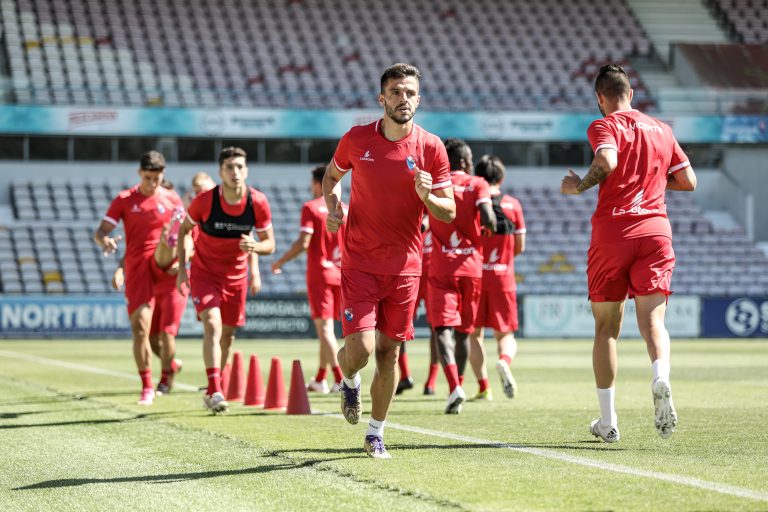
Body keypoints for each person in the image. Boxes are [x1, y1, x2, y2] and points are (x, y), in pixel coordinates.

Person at [323, 63, 455, 458]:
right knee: (361, 350)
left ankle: (375, 433)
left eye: (410, 92)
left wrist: (428, 197)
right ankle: (349, 378)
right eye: (396, 92)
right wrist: (334, 205)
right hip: (360, 262)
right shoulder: (356, 139)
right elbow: (331, 178)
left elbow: (448, 212)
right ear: (382, 98)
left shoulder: (431, 147)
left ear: (419, 98)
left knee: (389, 354)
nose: (403, 99)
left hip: (405, 268)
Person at [560, 64, 697, 442]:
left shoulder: (604, 125)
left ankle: (608, 422)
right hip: (655, 231)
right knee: (654, 321)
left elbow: (607, 161)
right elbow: (688, 180)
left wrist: (578, 186)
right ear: (631, 94)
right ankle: (660, 376)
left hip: (614, 232)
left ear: (600, 98)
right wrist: (652, 182)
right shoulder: (662, 129)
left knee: (606, 328)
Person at [176, 147, 275, 414]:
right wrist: (182, 269)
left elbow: (270, 244)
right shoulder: (204, 201)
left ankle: (213, 388)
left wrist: (255, 247)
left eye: (240, 167)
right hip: (205, 273)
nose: (235, 172)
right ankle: (215, 388)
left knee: (228, 336)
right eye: (229, 167)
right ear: (220, 172)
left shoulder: (258, 202)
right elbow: (184, 230)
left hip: (236, 277)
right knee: (212, 324)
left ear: (247, 170)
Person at [94, 150, 186, 405]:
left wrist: (183, 262)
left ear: (163, 175)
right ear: (139, 174)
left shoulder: (173, 199)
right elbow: (100, 232)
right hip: (138, 269)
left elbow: (187, 234)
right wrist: (105, 242)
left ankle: (166, 375)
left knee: (166, 334)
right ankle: (147, 386)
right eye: (148, 178)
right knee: (141, 329)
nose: (152, 183)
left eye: (157, 178)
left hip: (166, 270)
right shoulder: (125, 199)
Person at [428, 138, 495, 414]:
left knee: (442, 329)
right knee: (464, 333)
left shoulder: (435, 186)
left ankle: (454, 386)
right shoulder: (478, 184)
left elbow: (421, 222)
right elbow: (488, 218)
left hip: (442, 268)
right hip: (471, 269)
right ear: (466, 162)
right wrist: (488, 227)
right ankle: (462, 385)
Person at [271, 165, 346, 394]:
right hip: (341, 274)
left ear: (317, 184)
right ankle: (321, 378)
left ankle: (340, 379)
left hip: (320, 275)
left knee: (325, 330)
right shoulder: (345, 209)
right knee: (328, 330)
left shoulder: (311, 207)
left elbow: (303, 243)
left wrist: (280, 262)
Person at [111, 179, 187, 395]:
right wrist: (121, 269)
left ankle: (164, 380)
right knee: (151, 338)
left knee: (167, 333)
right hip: (152, 281)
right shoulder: (152, 220)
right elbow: (134, 251)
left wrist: (184, 264)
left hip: (172, 282)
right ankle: (171, 365)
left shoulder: (182, 220)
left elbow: (192, 244)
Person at [468, 156, 526, 401]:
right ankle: (504, 361)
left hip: (475, 277)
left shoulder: (472, 203)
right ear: (501, 178)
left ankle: (484, 387)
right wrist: (502, 261)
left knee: (474, 334)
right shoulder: (513, 204)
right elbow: (520, 246)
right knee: (505, 334)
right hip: (503, 277)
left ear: (478, 176)